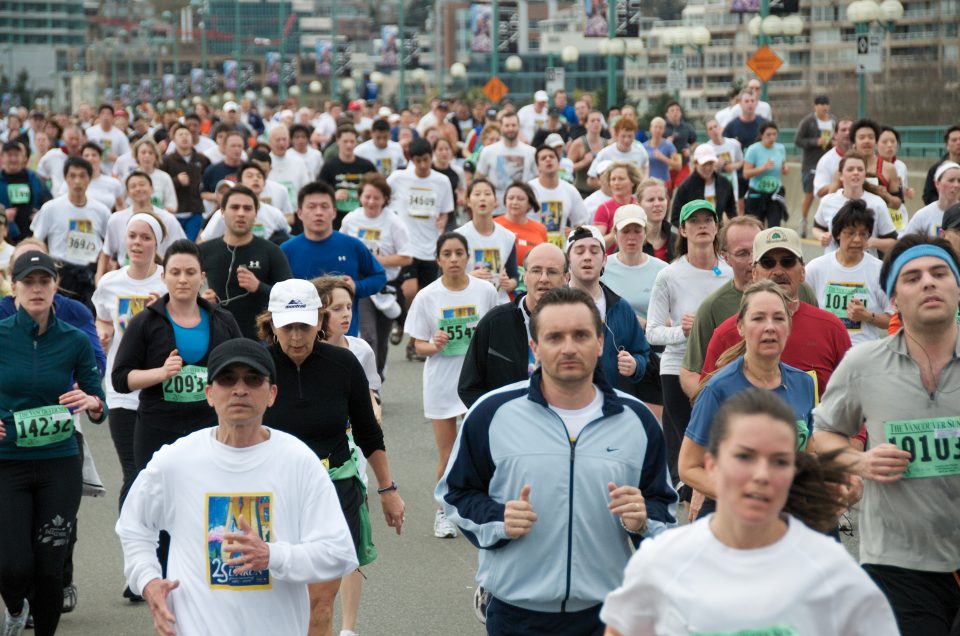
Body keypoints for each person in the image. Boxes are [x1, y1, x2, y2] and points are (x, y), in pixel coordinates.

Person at [438, 286, 677, 635]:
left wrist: (643, 522)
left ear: (599, 343)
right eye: (554, 337)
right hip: (516, 614)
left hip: (606, 614)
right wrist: (498, 518)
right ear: (535, 347)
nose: (568, 347)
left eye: (580, 335)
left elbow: (664, 511)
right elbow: (454, 495)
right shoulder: (491, 412)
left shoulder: (637, 420)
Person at [601, 389, 899, 636]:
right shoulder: (663, 562)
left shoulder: (834, 575)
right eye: (744, 456)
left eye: (779, 461)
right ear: (712, 465)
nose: (761, 474)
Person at [115, 339, 358, 636]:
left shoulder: (298, 461)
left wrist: (272, 556)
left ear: (271, 394)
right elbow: (134, 528)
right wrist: (148, 580)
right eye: (227, 379)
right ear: (209, 394)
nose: (239, 389)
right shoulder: (175, 461)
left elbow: (339, 552)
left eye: (253, 379)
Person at [812, 234, 960, 636]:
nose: (928, 282)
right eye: (911, 277)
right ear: (893, 299)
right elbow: (821, 436)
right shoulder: (863, 364)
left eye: (939, 273)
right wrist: (860, 461)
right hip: (898, 563)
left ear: (957, 287)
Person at [257, 278, 403, 636]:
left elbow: (369, 432)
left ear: (319, 321)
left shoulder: (344, 364)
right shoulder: (256, 366)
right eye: (287, 326)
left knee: (319, 602)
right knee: (273, 599)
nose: (295, 336)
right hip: (272, 492)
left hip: (335, 488)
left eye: (304, 325)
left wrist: (387, 490)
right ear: (271, 323)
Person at [111, 240, 242, 580]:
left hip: (209, 428)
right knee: (163, 509)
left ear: (202, 277)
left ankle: (208, 575)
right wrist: (161, 373)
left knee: (208, 504)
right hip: (158, 428)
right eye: (175, 272)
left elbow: (243, 369)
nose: (182, 279)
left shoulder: (222, 320)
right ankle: (160, 575)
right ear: (164, 277)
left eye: (190, 272)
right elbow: (121, 379)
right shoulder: (145, 322)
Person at [0, 251, 106, 636]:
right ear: (15, 286)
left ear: (55, 286)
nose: (37, 289)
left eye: (44, 281)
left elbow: (98, 400)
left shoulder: (74, 341)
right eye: (28, 281)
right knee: (12, 566)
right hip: (6, 461)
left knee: (50, 567)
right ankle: (14, 607)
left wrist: (93, 403)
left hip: (59, 461)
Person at [680, 280, 817, 520]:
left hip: (788, 516)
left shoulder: (804, 384)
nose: (770, 327)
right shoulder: (718, 389)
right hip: (730, 521)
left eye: (778, 318)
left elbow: (811, 454)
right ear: (740, 327)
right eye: (758, 318)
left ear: (789, 325)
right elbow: (688, 467)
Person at [404, 231, 499, 538]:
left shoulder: (485, 291)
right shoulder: (427, 296)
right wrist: (435, 344)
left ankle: (480, 506)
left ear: (468, 257)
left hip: (477, 380)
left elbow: (494, 332)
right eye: (447, 254)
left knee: (482, 448)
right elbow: (418, 344)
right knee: (447, 452)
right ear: (438, 259)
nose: (454, 259)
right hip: (443, 381)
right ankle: (442, 512)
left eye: (459, 253)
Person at [700, 227, 852, 404]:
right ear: (754, 273)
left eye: (787, 262)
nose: (778, 271)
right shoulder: (725, 334)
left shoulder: (831, 329)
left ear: (802, 271)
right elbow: (706, 407)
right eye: (768, 263)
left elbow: (852, 399)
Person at [92, 213, 169, 511]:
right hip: (122, 388)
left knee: (157, 473)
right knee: (133, 472)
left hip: (161, 387)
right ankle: (134, 542)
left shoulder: (168, 281)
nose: (137, 243)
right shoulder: (110, 282)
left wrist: (161, 311)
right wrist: (103, 331)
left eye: (145, 237)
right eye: (132, 236)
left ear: (156, 244)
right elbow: (102, 320)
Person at [458, 242, 567, 408]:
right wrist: (498, 420)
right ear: (525, 276)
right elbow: (469, 387)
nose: (543, 278)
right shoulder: (494, 322)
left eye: (552, 272)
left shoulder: (578, 323)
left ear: (566, 278)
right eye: (536, 270)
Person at [282, 181, 387, 338]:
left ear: (334, 212)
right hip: (301, 339)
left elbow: (379, 277)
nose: (319, 212)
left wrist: (356, 287)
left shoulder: (352, 245)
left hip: (345, 339)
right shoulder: (286, 250)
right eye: (311, 207)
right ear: (300, 213)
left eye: (324, 206)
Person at [341, 173, 414, 377]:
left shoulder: (394, 222)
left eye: (376, 197)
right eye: (367, 197)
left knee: (381, 339)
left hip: (385, 285)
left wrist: (374, 261)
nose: (371, 202)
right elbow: (342, 249)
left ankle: (378, 374)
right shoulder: (351, 219)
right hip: (360, 285)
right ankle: (366, 381)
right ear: (360, 197)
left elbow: (407, 257)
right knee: (368, 336)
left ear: (385, 200)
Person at [198, 185, 292, 339]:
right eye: (235, 207)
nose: (241, 213)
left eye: (247, 208)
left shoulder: (271, 251)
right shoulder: (204, 251)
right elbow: (185, 296)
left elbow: (290, 298)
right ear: (222, 212)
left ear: (256, 213)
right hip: (213, 337)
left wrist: (258, 287)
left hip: (260, 339)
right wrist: (201, 300)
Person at [566, 224, 650, 390]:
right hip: (564, 402)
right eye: (580, 251)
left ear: (604, 259)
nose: (587, 257)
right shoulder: (552, 306)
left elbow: (642, 352)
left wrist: (635, 365)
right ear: (568, 259)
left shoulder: (621, 308)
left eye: (594, 251)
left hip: (610, 402)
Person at [806, 200, 893, 344]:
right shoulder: (816, 268)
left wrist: (867, 316)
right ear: (838, 234)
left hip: (863, 353)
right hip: (825, 351)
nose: (857, 240)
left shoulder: (880, 271)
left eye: (863, 234)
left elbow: (894, 320)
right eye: (851, 233)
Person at [30, 156, 111, 311]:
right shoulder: (51, 208)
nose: (77, 181)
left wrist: (100, 274)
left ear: (89, 178)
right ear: (65, 178)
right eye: (72, 176)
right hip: (60, 274)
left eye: (82, 176)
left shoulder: (101, 211)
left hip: (89, 275)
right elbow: (36, 242)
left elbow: (108, 247)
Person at [98, 171, 185, 282]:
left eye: (142, 184)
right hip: (125, 277)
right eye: (133, 186)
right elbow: (106, 252)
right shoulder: (116, 219)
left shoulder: (168, 219)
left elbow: (181, 252)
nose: (138, 188)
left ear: (152, 189)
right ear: (128, 193)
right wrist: (99, 278)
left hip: (159, 277)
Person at [813, 151, 898, 257]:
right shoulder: (827, 201)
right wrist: (821, 236)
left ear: (865, 175)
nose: (856, 172)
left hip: (866, 267)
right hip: (833, 268)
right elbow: (816, 228)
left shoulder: (877, 203)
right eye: (850, 169)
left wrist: (873, 242)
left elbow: (893, 242)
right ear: (841, 175)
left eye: (860, 169)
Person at [456, 178, 519, 304]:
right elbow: (447, 277)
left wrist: (508, 283)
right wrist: (469, 277)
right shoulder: (457, 236)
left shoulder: (508, 237)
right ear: (468, 201)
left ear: (495, 201)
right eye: (477, 194)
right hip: (467, 303)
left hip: (498, 303)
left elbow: (514, 277)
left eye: (487, 194)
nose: (482, 198)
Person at [199, 163, 291, 245]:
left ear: (264, 184)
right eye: (249, 176)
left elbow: (287, 236)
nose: (255, 179)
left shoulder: (275, 213)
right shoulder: (223, 214)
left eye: (259, 177)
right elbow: (204, 242)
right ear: (240, 183)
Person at [527, 145, 589, 249]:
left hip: (561, 252)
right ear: (538, 166)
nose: (548, 159)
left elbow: (583, 223)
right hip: (532, 248)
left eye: (551, 156)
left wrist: (574, 232)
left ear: (559, 163)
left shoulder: (570, 190)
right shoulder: (528, 190)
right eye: (543, 158)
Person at [160, 122, 211, 241]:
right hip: (173, 212)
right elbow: (160, 185)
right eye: (180, 134)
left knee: (189, 244)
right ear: (174, 139)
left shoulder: (202, 159)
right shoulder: (166, 160)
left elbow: (209, 181)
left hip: (195, 210)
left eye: (187, 134)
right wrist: (176, 181)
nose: (184, 137)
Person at [794, 95, 836, 237]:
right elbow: (798, 140)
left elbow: (837, 138)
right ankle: (804, 221)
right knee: (810, 194)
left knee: (829, 193)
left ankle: (824, 223)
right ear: (815, 106)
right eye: (821, 104)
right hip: (811, 164)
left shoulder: (833, 121)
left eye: (826, 104)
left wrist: (833, 144)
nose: (824, 107)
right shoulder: (808, 122)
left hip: (828, 164)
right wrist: (814, 141)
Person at [475, 113, 537, 208]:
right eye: (507, 125)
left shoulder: (531, 152)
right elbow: (479, 178)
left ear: (519, 126)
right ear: (501, 127)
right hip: (496, 207)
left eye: (513, 125)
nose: (510, 129)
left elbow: (538, 179)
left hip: (522, 207)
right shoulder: (488, 151)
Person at [670, 144, 736, 225]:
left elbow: (732, 213)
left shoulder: (725, 184)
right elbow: (676, 218)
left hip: (718, 233)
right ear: (696, 163)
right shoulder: (685, 187)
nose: (708, 168)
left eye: (711, 163)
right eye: (704, 164)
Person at [494, 181, 548, 282]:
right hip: (502, 284)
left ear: (529, 204)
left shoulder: (540, 229)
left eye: (520, 199)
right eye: (511, 198)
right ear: (505, 201)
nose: (515, 202)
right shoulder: (494, 225)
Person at [1, 140, 50, 243]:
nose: (13, 159)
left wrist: (41, 214)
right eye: (9, 155)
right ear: (2, 157)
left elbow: (49, 201)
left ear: (23, 158)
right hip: (5, 238)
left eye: (17, 155)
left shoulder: (35, 179)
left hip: (33, 236)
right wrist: (2, 215)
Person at [743, 121, 789, 228]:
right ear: (761, 135)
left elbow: (783, 165)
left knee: (774, 227)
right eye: (768, 135)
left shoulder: (780, 148)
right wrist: (762, 168)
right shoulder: (753, 149)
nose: (772, 137)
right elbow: (746, 173)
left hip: (774, 193)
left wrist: (785, 169)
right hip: (757, 193)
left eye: (774, 134)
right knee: (757, 227)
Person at [592, 161, 643, 252]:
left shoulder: (640, 206)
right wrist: (614, 234)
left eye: (621, 179)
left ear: (633, 182)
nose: (616, 183)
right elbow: (596, 245)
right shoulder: (604, 209)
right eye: (613, 179)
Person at [586, 116, 649, 189]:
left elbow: (646, 169)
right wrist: (610, 187)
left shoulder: (640, 151)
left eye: (630, 136)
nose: (626, 140)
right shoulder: (605, 153)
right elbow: (590, 180)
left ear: (634, 135)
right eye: (623, 136)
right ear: (616, 135)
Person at [901, 161, 960, 237]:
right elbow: (905, 243)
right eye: (951, 180)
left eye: (959, 181)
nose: (956, 185)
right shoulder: (923, 216)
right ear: (937, 183)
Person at [128, 138, 177, 213]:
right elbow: (124, 203)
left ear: (156, 156)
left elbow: (172, 205)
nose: (147, 156)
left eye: (151, 153)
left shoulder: (164, 177)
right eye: (143, 152)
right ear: (136, 155)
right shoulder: (129, 177)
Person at [635, 178, 676, 263]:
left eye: (661, 199)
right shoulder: (630, 241)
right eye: (651, 200)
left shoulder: (677, 240)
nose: (657, 204)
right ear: (639, 205)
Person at [568, 110, 607, 197]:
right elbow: (566, 169)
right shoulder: (578, 143)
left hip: (602, 193)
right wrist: (584, 162)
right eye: (592, 121)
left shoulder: (607, 144)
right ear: (586, 124)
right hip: (582, 192)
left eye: (598, 120)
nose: (596, 123)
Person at [85, 104, 130, 175]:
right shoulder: (89, 132)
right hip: (92, 172)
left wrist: (116, 159)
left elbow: (127, 157)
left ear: (113, 117)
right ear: (99, 116)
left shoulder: (120, 135)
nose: (105, 116)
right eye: (103, 113)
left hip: (112, 173)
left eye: (108, 114)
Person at [814, 118, 853, 198]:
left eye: (850, 130)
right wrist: (840, 183)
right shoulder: (825, 160)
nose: (847, 133)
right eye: (843, 130)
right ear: (835, 135)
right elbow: (819, 192)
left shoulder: (864, 156)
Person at [921, 124, 960, 205]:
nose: (958, 142)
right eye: (954, 140)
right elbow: (928, 197)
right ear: (946, 145)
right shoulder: (936, 169)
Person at [642, 117, 680, 184]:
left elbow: (678, 166)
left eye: (660, 127)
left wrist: (663, 158)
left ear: (664, 130)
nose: (658, 130)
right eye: (655, 127)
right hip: (648, 183)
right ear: (650, 128)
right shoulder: (643, 146)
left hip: (664, 182)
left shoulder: (669, 145)